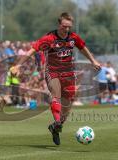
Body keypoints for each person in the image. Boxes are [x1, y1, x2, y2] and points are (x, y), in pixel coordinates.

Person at [10, 12, 101, 145]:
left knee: (68, 103)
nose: (67, 29)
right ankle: (57, 121)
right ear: (59, 24)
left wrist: (93, 61)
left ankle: (56, 127)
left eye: (69, 27)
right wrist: (18, 65)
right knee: (56, 95)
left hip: (68, 73)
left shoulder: (73, 37)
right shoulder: (49, 38)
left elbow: (82, 48)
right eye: (64, 26)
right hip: (52, 71)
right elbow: (32, 50)